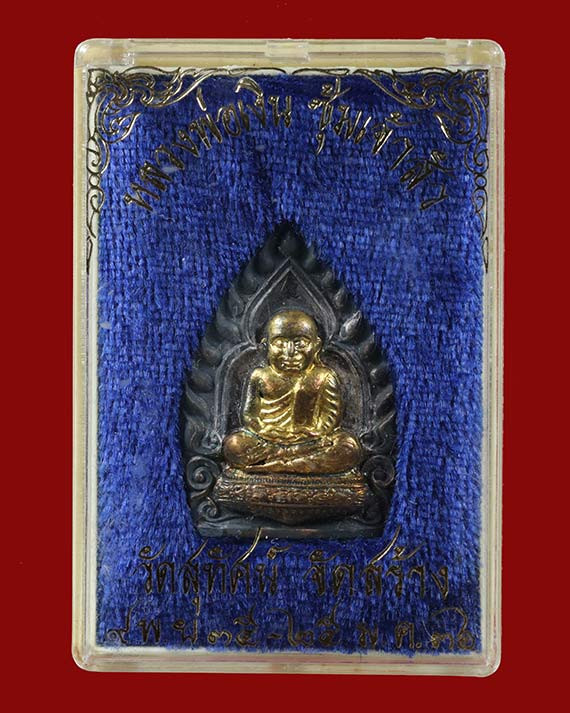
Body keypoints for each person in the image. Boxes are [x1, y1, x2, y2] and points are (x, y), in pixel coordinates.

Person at [223, 309, 361, 474]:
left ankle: (279, 466)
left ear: (316, 346)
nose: (290, 352)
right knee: (233, 445)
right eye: (280, 343)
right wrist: (264, 431)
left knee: (349, 447)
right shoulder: (260, 375)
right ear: (266, 346)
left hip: (310, 442)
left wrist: (314, 433)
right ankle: (297, 465)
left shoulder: (323, 376)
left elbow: (330, 417)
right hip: (267, 441)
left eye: (300, 343)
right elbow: (250, 415)